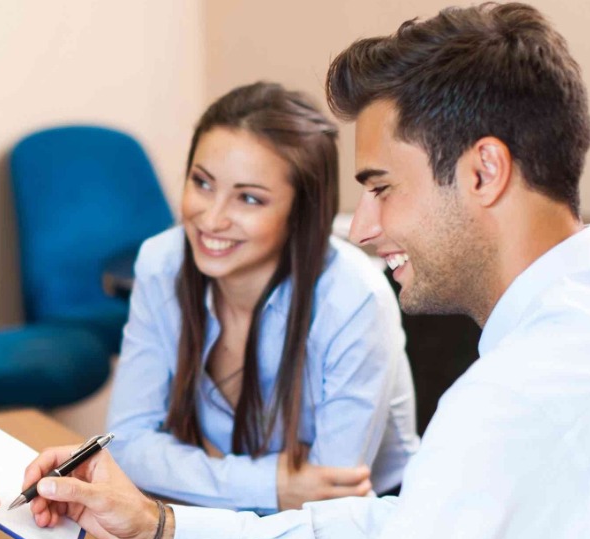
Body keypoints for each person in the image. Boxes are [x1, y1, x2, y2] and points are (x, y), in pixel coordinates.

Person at [27, 4, 590, 539]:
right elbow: (399, 530)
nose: (361, 228)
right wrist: (161, 528)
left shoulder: (525, 398)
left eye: (379, 188)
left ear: (481, 172)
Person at [107, 81, 418, 513]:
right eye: (202, 183)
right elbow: (125, 446)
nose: (211, 218)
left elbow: (331, 502)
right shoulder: (162, 263)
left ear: (300, 213)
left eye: (249, 198)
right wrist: (270, 485)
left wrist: (194, 472)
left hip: (367, 531)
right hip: (222, 519)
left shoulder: (353, 301)